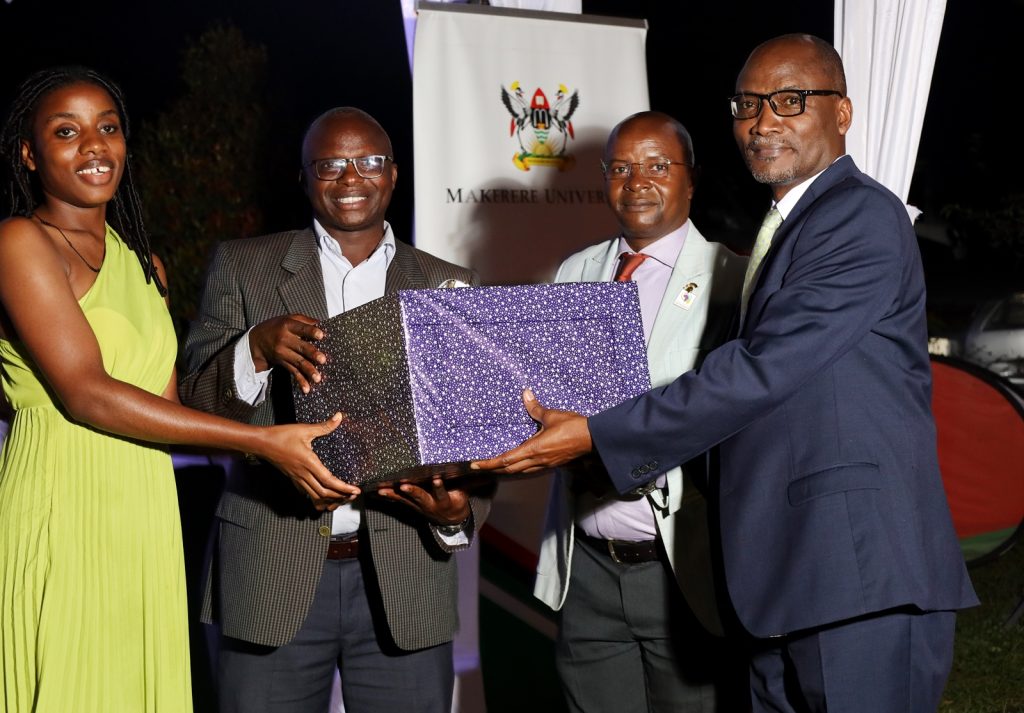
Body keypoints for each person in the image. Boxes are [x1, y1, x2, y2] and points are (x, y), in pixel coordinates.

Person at [474, 34, 978, 712]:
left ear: (843, 112)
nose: (763, 121)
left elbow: (762, 368)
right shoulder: (787, 229)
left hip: (856, 576)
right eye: (747, 104)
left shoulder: (857, 215)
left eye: (790, 100)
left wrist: (600, 435)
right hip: (783, 577)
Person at [0, 67, 351, 713]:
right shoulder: (20, 242)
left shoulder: (146, 264)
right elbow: (85, 393)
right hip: (63, 498)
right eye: (66, 131)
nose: (94, 145)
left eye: (108, 127)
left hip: (145, 506)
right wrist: (264, 443)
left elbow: (168, 408)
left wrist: (307, 434)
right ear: (29, 152)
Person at [179, 106, 493, 713]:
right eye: (330, 165)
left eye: (369, 162)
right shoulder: (245, 267)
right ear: (304, 179)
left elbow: (472, 433)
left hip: (405, 578)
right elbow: (194, 397)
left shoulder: (447, 284)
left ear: (393, 174)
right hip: (271, 572)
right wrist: (256, 349)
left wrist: (457, 512)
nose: (352, 178)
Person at [534, 110, 747, 713]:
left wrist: (620, 457)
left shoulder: (730, 280)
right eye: (621, 168)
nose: (638, 183)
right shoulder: (576, 272)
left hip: (684, 571)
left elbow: (731, 421)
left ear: (691, 179)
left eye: (658, 166)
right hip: (588, 569)